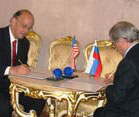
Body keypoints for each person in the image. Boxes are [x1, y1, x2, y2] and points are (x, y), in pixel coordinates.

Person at [0, 9, 45, 117]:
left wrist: (24, 68)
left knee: (39, 99)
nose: (26, 31)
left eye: (29, 28)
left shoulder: (25, 43)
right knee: (4, 107)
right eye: (24, 26)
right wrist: (10, 69)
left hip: (14, 87)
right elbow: (13, 69)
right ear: (13, 21)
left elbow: (21, 63)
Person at [93, 21, 139, 117]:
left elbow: (117, 97)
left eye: (114, 44)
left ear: (122, 40)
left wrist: (108, 87)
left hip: (129, 112)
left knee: (98, 112)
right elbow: (133, 80)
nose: (115, 48)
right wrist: (116, 79)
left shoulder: (128, 62)